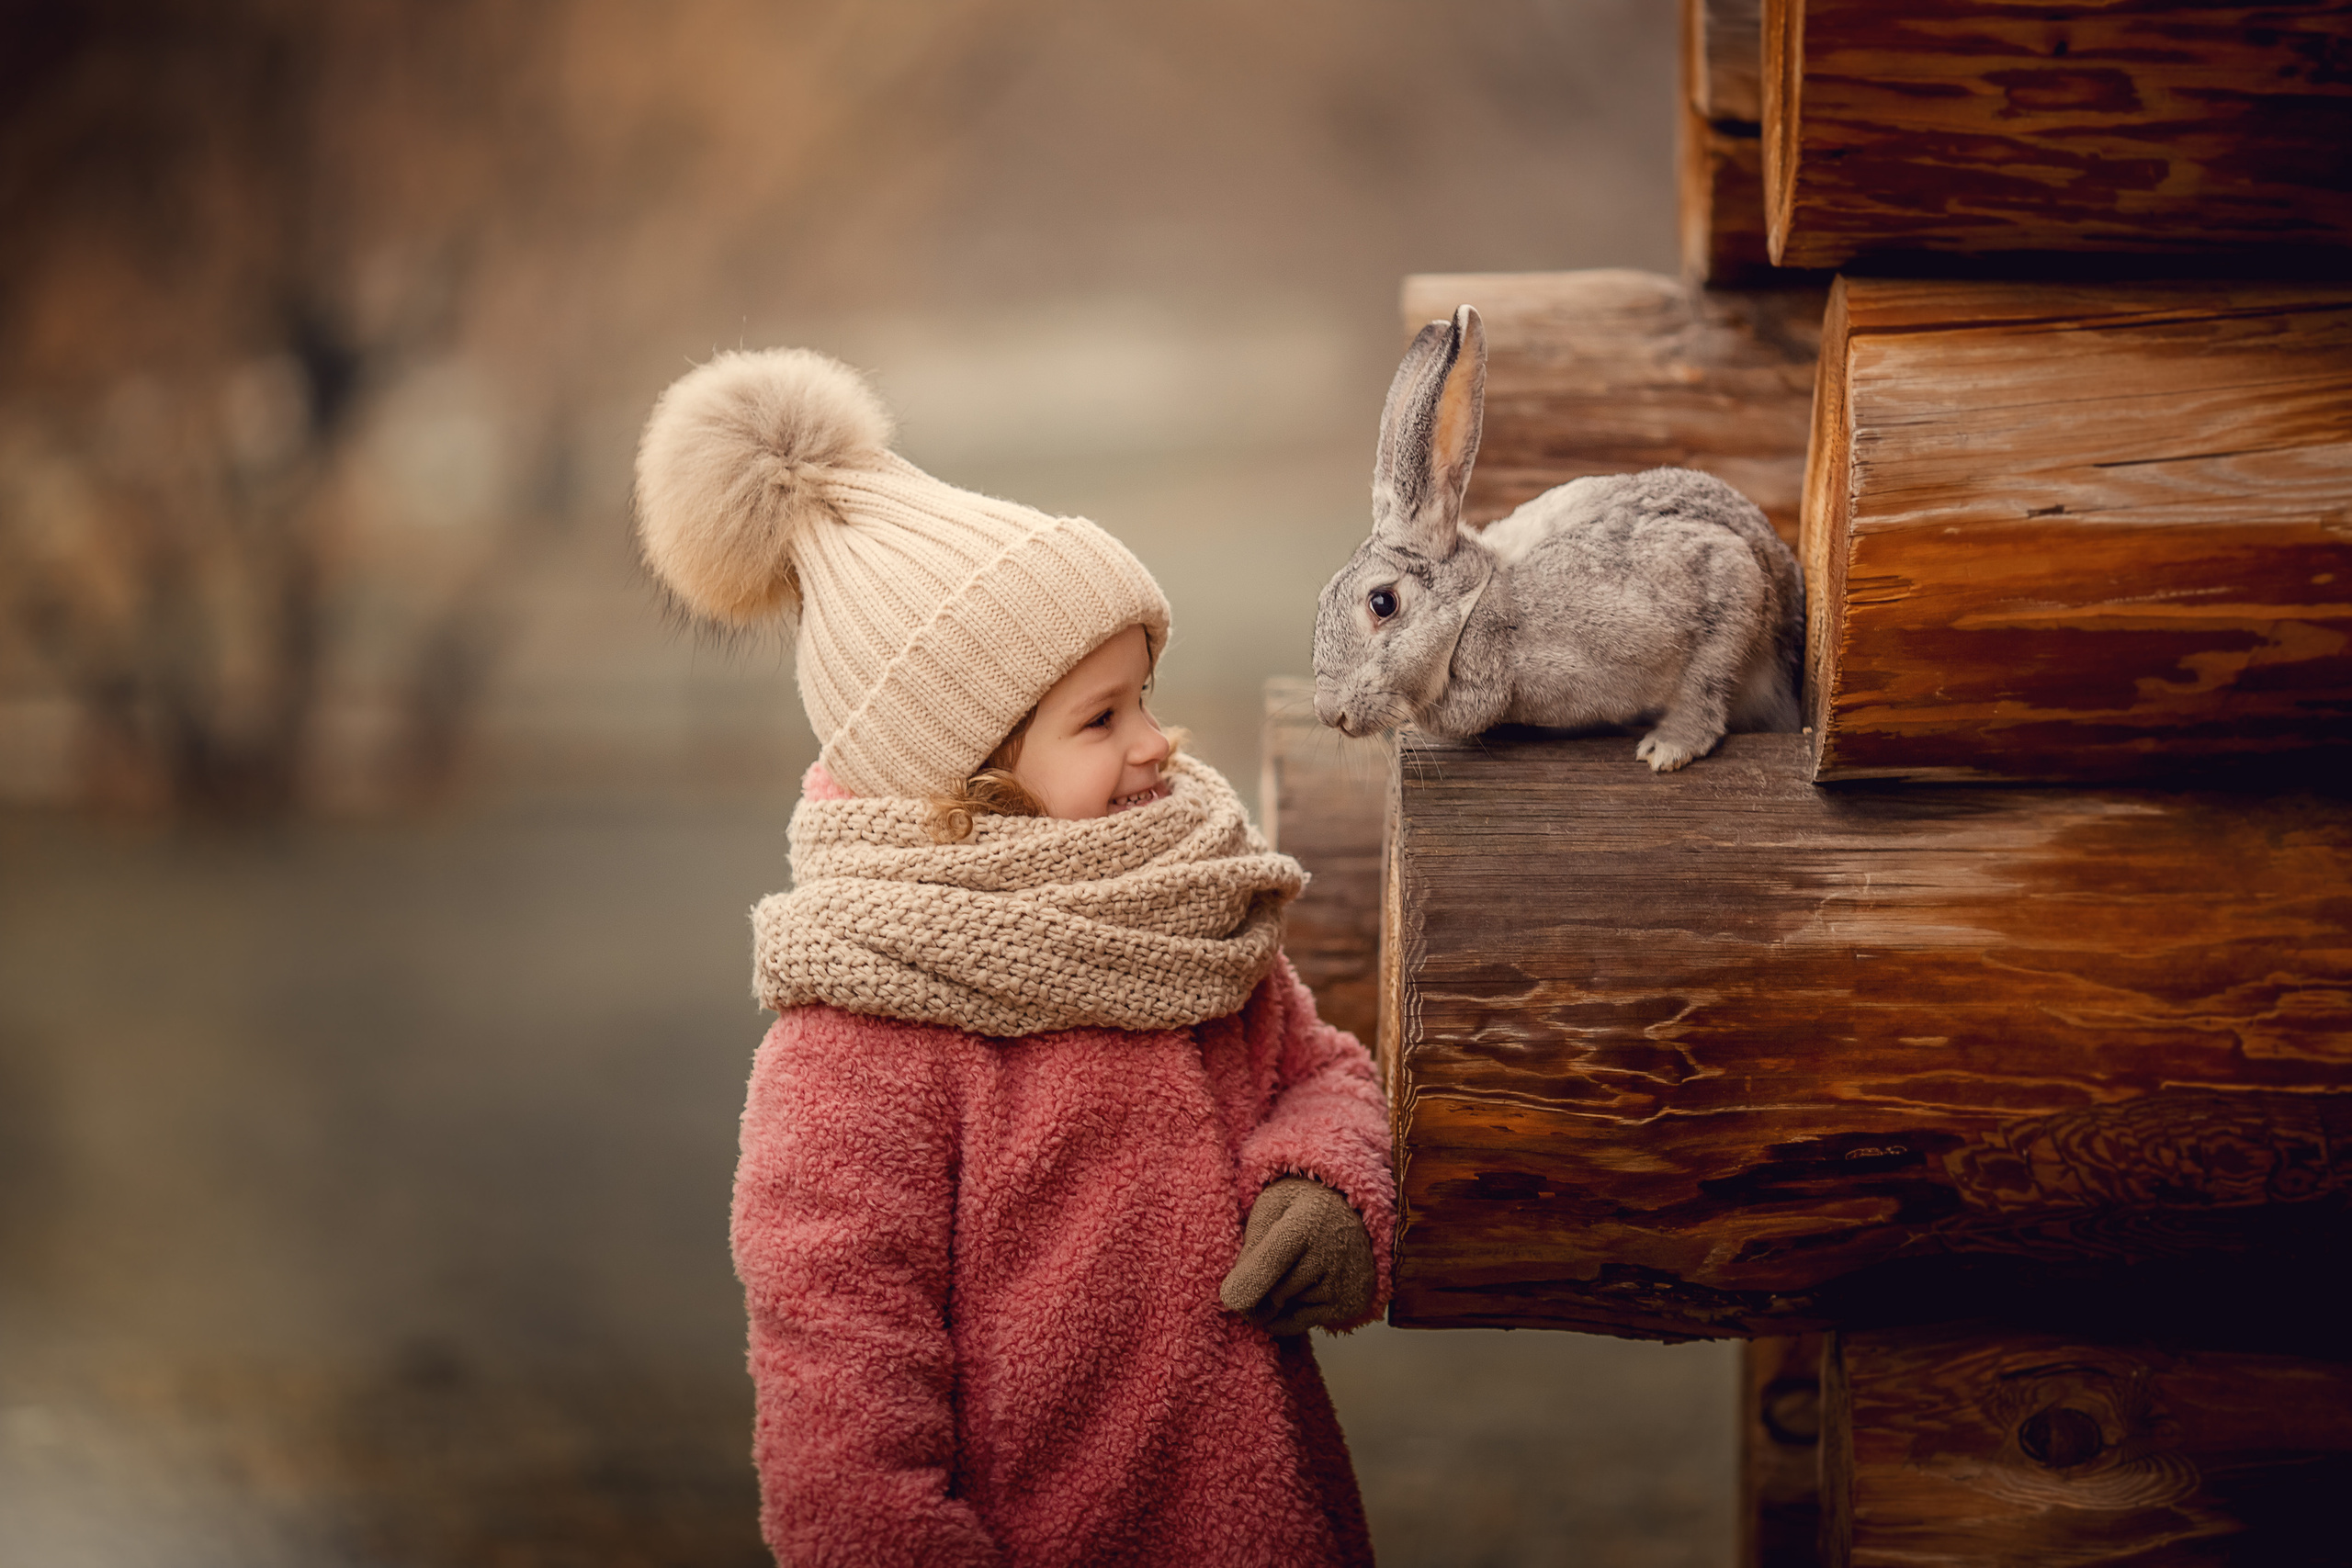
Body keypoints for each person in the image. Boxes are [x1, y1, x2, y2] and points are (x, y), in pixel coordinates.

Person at [633, 347, 1396, 1568]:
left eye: (1145, 694)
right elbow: (841, 1437)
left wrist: (1325, 1183)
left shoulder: (1181, 912)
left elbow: (1321, 1069)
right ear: (965, 784)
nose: (1158, 745)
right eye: (1101, 720)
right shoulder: (858, 1042)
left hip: (1263, 1520)